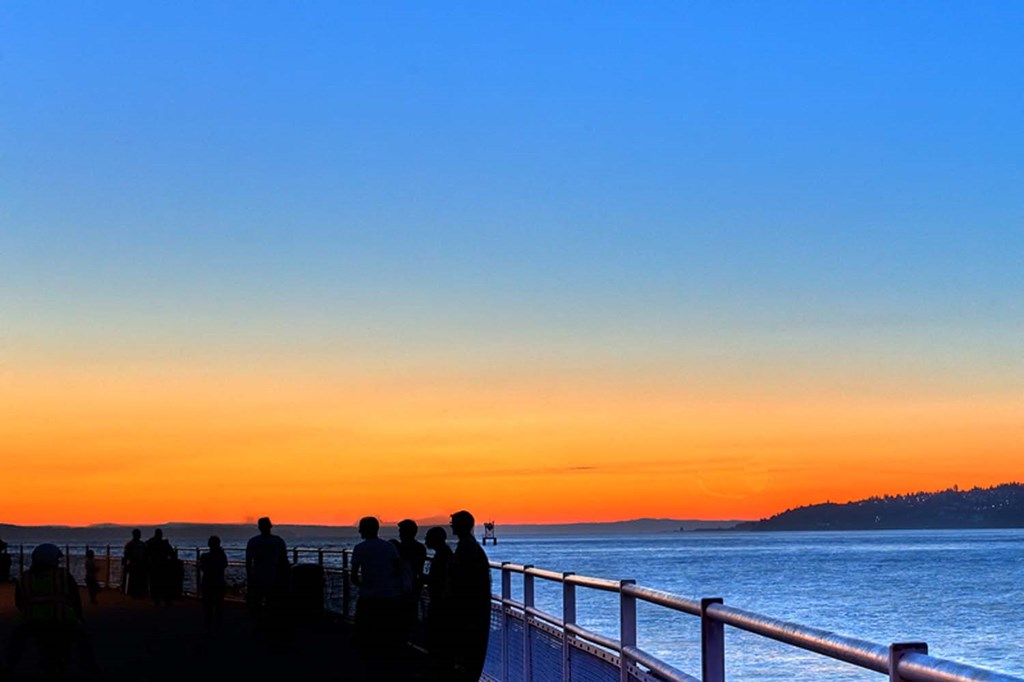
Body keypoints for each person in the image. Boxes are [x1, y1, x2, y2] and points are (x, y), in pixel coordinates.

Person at [5, 543, 98, 677]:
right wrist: (78, 614)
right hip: (62, 619)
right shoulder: (62, 575)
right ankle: (89, 667)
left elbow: (19, 602)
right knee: (83, 639)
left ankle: (10, 666)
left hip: (32, 621)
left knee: (17, 639)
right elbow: (75, 597)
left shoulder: (24, 577)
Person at [351, 516, 402, 679]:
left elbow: (353, 576)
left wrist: (364, 585)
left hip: (368, 597)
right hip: (388, 596)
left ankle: (368, 665)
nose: (359, 531)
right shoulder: (389, 547)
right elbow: (397, 570)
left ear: (364, 530)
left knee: (366, 632)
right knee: (386, 632)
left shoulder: (359, 549)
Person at [445, 510, 492, 682]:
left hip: (468, 610)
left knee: (468, 654)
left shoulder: (466, 548)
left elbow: (462, 579)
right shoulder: (470, 547)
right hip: (474, 608)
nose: (451, 526)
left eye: (453, 522)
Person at [245, 517, 290, 637]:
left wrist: (249, 578)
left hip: (258, 577)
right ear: (270, 526)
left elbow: (248, 562)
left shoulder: (253, 542)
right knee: (272, 603)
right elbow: (284, 561)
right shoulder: (278, 541)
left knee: (257, 605)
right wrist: (286, 576)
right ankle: (271, 628)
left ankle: (259, 627)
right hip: (274, 576)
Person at [423, 526, 453, 681]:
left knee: (437, 638)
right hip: (440, 602)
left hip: (440, 604)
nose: (426, 540)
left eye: (428, 537)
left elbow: (440, 579)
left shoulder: (442, 556)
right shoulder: (445, 554)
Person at [391, 519, 427, 642]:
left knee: (400, 616)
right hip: (414, 586)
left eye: (401, 531)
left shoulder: (400, 549)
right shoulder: (420, 548)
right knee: (412, 614)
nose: (400, 534)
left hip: (402, 588)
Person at [199, 535, 228, 630]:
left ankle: (208, 625)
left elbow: (202, 567)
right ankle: (218, 625)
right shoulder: (222, 556)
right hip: (218, 582)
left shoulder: (204, 556)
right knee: (219, 604)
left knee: (208, 606)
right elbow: (224, 565)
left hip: (207, 582)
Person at [145, 528, 175, 607]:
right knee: (164, 584)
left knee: (155, 584)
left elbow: (146, 553)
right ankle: (166, 600)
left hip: (154, 566)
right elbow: (172, 553)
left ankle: (157, 601)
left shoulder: (150, 543)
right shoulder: (164, 543)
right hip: (163, 566)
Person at [122, 529, 147, 598]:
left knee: (136, 579)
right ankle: (136, 593)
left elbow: (126, 554)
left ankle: (136, 592)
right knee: (136, 579)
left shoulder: (131, 544)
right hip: (135, 563)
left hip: (137, 563)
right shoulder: (140, 544)